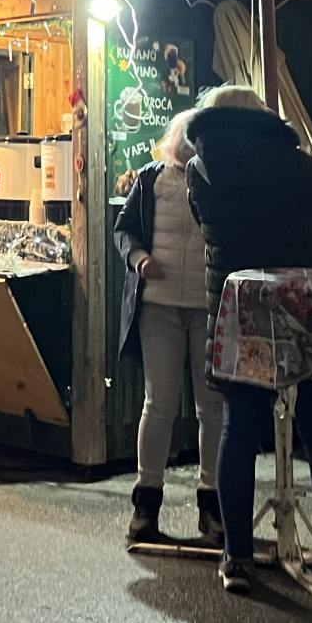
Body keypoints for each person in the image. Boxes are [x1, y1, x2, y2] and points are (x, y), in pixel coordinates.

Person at [186, 84, 312, 596]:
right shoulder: (290, 158)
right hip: (302, 302)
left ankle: (237, 556)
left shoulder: (200, 167)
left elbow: (206, 224)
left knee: (240, 425)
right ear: (261, 116)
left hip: (242, 309)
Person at [115, 109, 222, 549]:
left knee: (210, 407)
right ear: (172, 138)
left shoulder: (215, 181)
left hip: (206, 307)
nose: (186, 144)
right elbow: (124, 231)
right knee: (159, 404)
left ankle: (211, 503)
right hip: (158, 307)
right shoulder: (149, 179)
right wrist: (140, 260)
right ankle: (146, 503)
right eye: (182, 136)